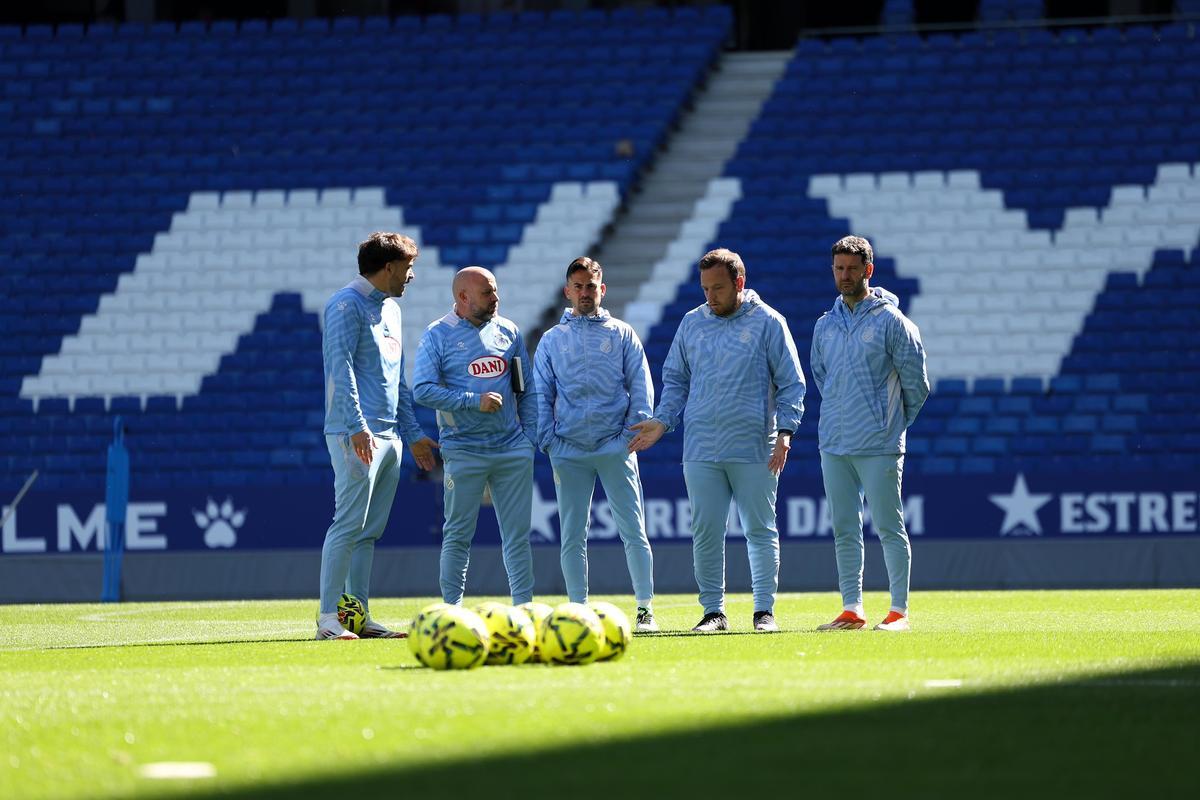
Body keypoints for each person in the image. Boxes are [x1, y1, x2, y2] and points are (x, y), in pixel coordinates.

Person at [629, 248, 805, 633]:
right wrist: (662, 421)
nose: (710, 296)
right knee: (706, 532)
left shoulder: (769, 322)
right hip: (701, 447)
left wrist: (786, 432)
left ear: (739, 283)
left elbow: (792, 383)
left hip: (755, 445)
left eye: (718, 288)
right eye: (705, 288)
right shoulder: (691, 323)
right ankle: (713, 612)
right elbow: (675, 380)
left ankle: (764, 611)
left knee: (760, 529)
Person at [317, 232, 439, 640]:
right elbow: (340, 369)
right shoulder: (344, 305)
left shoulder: (392, 310)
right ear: (389, 267)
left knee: (369, 531)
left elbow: (396, 378)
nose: (411, 275)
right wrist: (357, 426)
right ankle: (328, 618)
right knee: (348, 523)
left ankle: (359, 615)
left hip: (390, 436)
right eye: (408, 267)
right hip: (356, 433)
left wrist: (413, 432)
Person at [533, 257, 658, 632]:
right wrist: (549, 440)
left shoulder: (621, 334)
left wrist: (626, 438)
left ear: (602, 289)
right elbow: (540, 393)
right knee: (572, 535)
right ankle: (578, 609)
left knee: (633, 529)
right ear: (567, 291)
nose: (585, 292)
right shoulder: (552, 339)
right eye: (578, 286)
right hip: (568, 450)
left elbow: (641, 386)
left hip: (614, 446)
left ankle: (645, 609)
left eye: (591, 286)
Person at [811, 236, 929, 632]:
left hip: (879, 443)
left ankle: (899, 612)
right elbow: (823, 379)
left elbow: (917, 385)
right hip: (834, 442)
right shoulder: (824, 325)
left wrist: (890, 423)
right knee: (844, 528)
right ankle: (852, 609)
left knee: (889, 526)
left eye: (852, 268)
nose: (845, 275)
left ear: (869, 270)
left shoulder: (893, 322)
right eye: (839, 268)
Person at [412, 267, 538, 606]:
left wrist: (529, 439)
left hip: (512, 449)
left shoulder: (509, 331)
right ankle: (452, 611)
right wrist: (473, 401)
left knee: (517, 537)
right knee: (457, 536)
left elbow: (526, 389)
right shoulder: (437, 334)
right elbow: (422, 390)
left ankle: (524, 609)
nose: (496, 297)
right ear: (463, 297)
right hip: (463, 449)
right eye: (487, 292)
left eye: (495, 290)